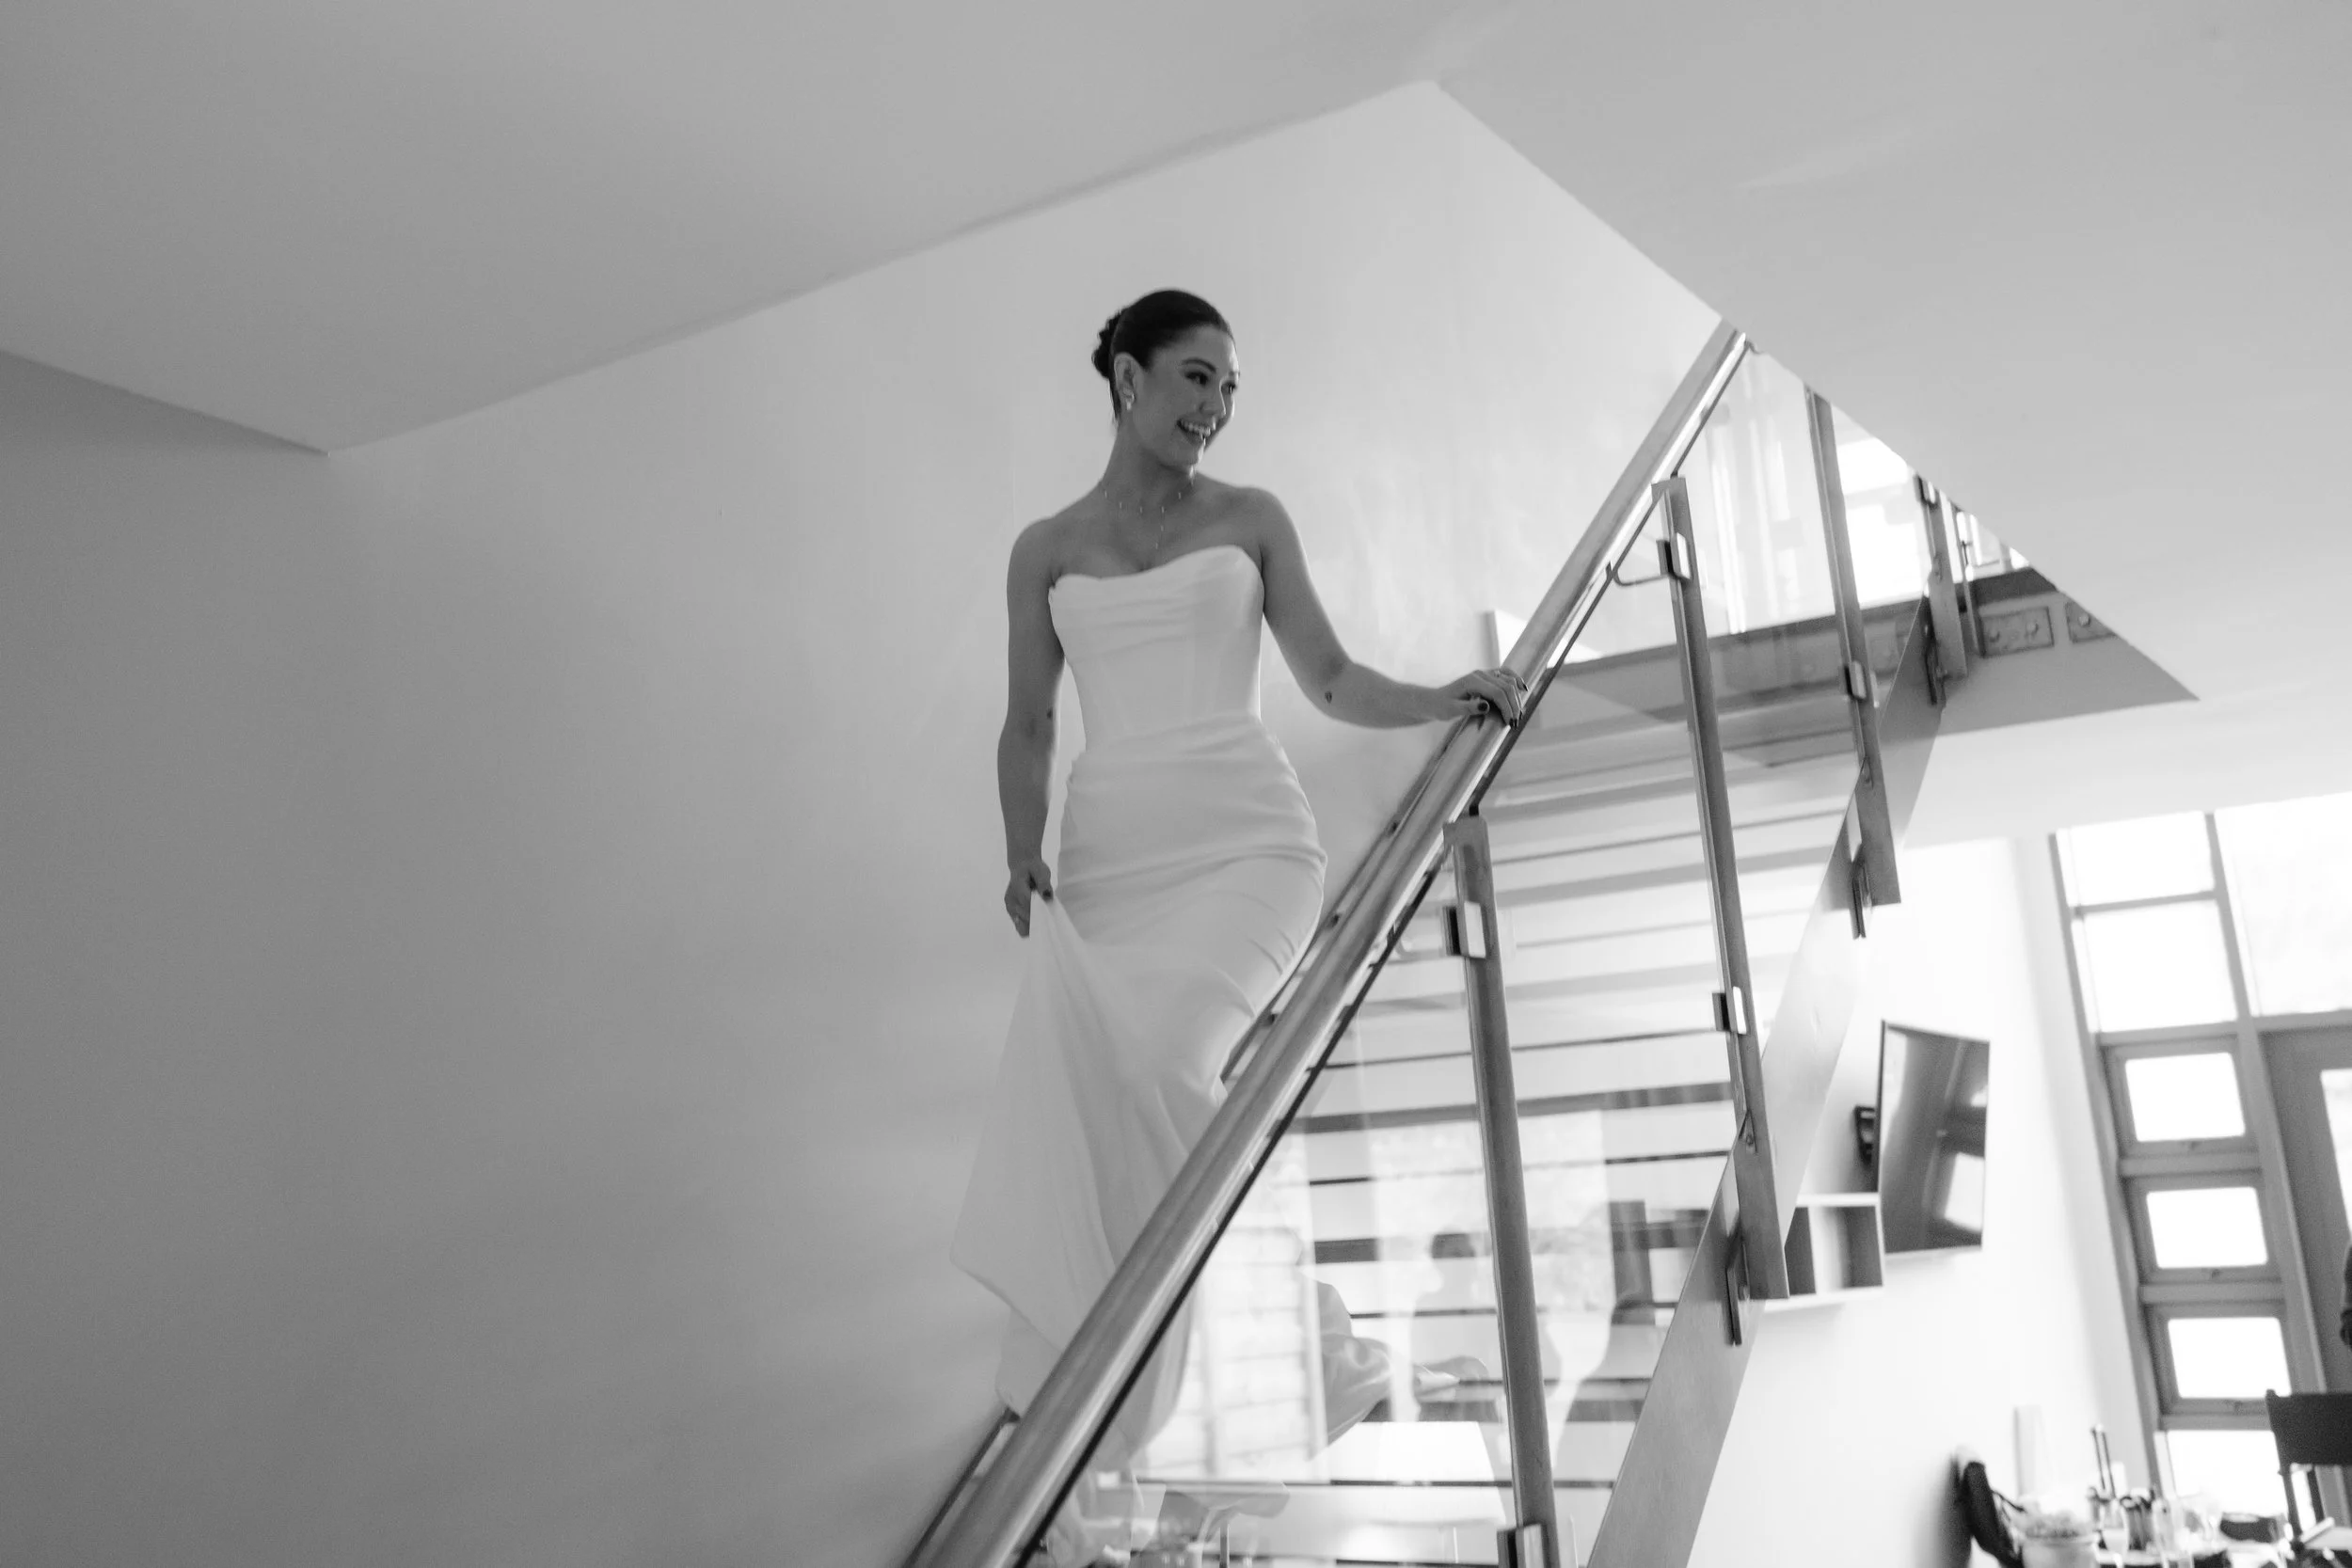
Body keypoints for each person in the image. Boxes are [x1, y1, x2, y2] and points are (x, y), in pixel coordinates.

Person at [950, 290, 1524, 1477]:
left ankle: (1294, 1350)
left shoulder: (1252, 517)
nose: (1215, 407)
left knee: (1165, 1063)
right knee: (1115, 1104)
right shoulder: (1045, 550)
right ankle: (1255, 1351)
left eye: (1229, 389)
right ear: (1128, 380)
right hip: (1111, 863)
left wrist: (1441, 696)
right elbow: (1025, 724)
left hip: (1248, 845)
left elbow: (1326, 675)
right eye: (1197, 377)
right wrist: (1019, 849)